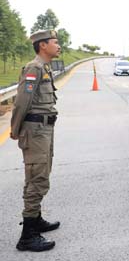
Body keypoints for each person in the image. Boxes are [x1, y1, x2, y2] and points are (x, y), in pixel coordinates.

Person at [10, 30, 62, 252]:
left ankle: (36, 218)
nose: (58, 46)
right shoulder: (34, 68)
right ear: (42, 46)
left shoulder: (45, 67)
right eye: (55, 42)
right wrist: (14, 129)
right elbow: (22, 101)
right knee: (37, 178)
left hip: (44, 129)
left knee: (40, 175)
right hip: (35, 130)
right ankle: (28, 235)